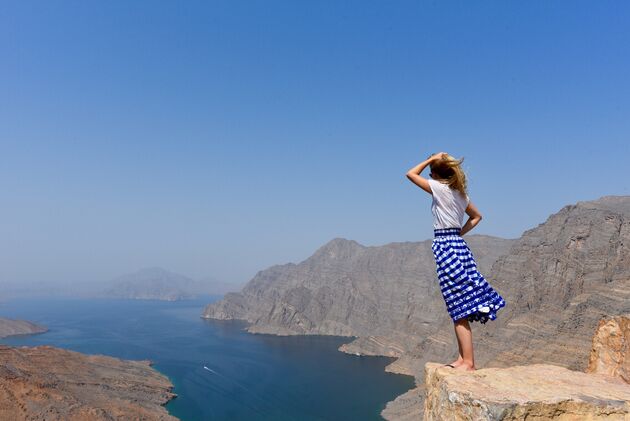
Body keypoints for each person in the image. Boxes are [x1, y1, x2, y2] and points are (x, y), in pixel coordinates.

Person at [405, 151, 506, 371]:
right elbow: (477, 216)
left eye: (431, 171)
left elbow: (410, 174)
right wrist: (459, 233)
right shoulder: (461, 194)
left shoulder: (439, 189)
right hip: (458, 246)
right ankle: (462, 358)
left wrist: (430, 159)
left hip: (446, 247)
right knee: (457, 305)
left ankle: (468, 362)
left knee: (458, 307)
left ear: (435, 174)